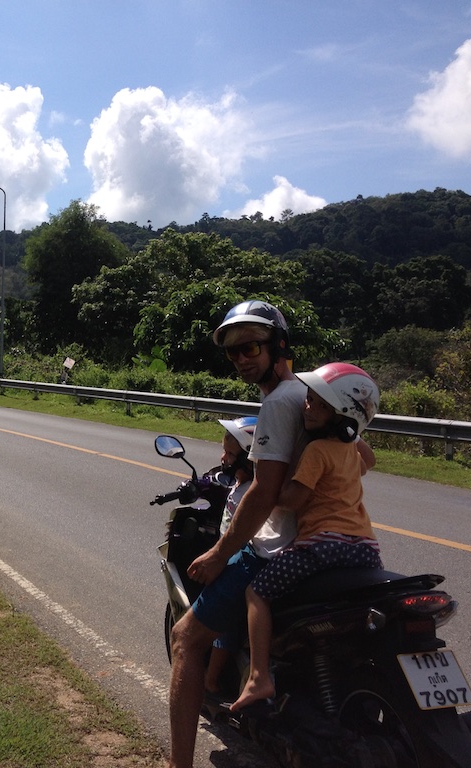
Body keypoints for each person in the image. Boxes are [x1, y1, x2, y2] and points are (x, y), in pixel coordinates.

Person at [167, 300, 375, 768]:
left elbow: (262, 493)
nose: (242, 357)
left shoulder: (281, 402)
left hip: (275, 549)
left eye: (252, 346)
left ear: (278, 344)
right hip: (341, 543)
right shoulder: (316, 398)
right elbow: (363, 458)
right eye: (234, 352)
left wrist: (220, 553)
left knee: (185, 639)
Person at [231, 363, 382, 710]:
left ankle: (258, 677)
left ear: (340, 414)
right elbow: (369, 459)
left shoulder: (316, 451)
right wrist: (352, 434)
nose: (307, 406)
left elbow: (293, 499)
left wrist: (270, 491)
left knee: (257, 592)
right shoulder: (348, 452)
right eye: (309, 399)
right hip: (365, 547)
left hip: (323, 545)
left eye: (318, 403)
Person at [204, 415, 256, 694]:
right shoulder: (242, 481)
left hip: (240, 556)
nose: (223, 456)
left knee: (221, 611)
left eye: (229, 452)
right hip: (235, 551)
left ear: (247, 457)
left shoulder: (252, 491)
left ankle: (211, 681)